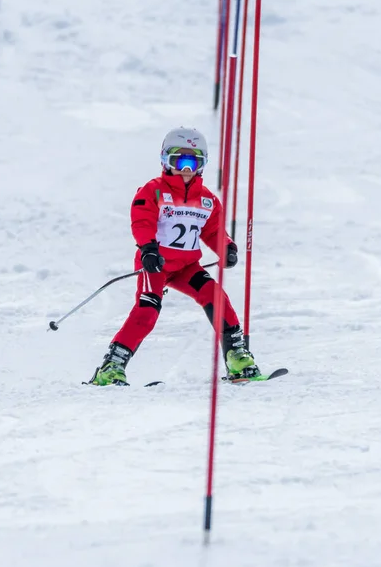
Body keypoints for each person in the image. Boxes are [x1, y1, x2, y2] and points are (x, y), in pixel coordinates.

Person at [89, 127, 261, 386]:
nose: (186, 169)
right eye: (179, 161)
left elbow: (213, 230)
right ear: (165, 161)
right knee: (148, 309)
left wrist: (226, 248)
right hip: (156, 264)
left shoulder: (207, 200)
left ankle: (237, 356)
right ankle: (110, 367)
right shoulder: (154, 191)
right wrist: (148, 248)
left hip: (187, 266)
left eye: (194, 162)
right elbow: (142, 221)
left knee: (214, 295)